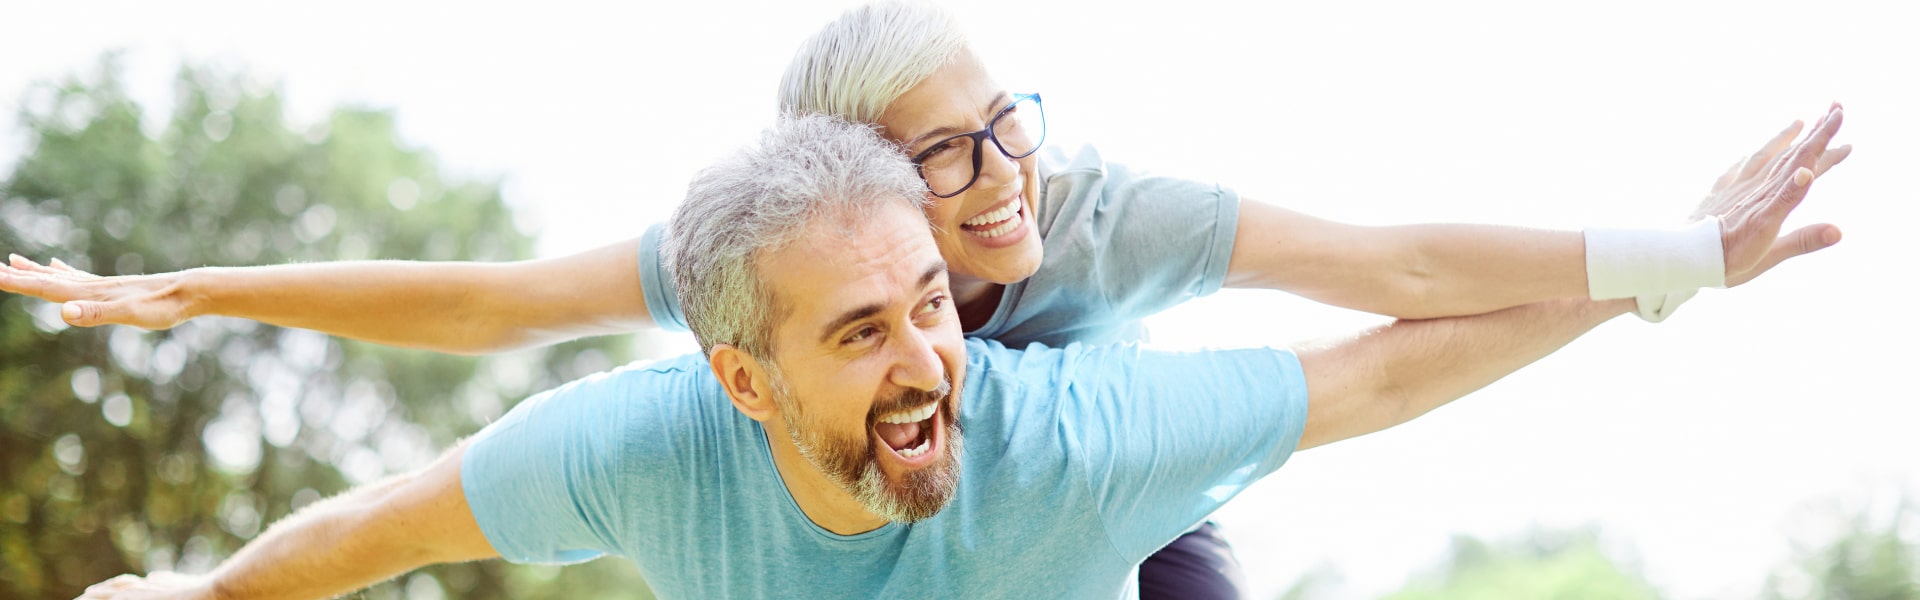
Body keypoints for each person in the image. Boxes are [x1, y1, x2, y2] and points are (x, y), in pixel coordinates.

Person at [8, 2, 1849, 597]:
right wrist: (192, 292)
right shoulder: (749, 266)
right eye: (941, 160)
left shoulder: (1105, 225)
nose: (1002, 186)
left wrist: (1669, 263)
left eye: (1003, 128)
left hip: (1109, 522)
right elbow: (491, 306)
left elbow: (1396, 292)